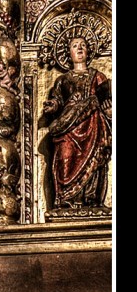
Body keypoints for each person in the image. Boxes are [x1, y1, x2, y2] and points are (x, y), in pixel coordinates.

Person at [42, 33, 111, 209]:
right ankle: (66, 198)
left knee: (94, 160)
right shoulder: (63, 80)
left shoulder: (98, 77)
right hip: (68, 127)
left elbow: (106, 100)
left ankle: (90, 199)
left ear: (88, 51)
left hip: (92, 126)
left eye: (83, 45)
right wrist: (52, 106)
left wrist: (108, 107)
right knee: (64, 157)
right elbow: (57, 100)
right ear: (68, 53)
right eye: (75, 46)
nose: (79, 48)